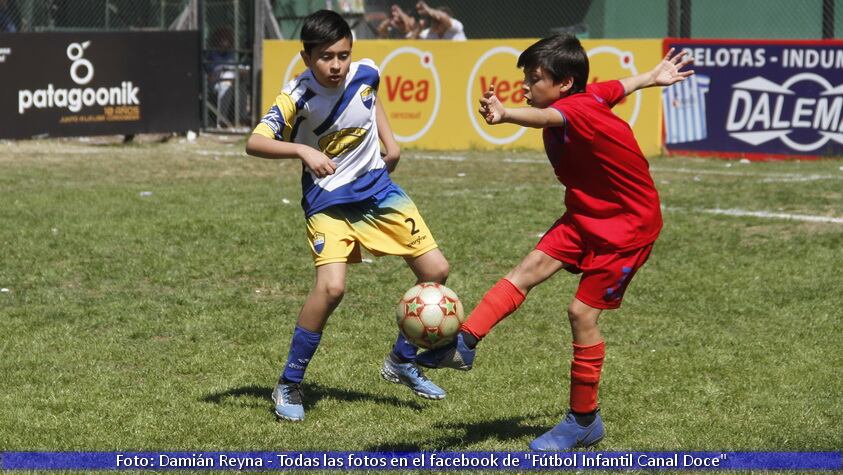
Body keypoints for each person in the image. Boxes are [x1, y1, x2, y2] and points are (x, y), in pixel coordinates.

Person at [417, 35, 694, 450]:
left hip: (627, 230)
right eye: (526, 78)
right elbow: (618, 86)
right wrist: (651, 77)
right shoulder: (589, 94)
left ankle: (584, 420)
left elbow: (549, 119)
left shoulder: (573, 109)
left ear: (564, 84)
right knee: (525, 272)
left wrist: (506, 114)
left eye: (535, 78)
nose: (527, 86)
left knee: (581, 314)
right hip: (585, 215)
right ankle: (464, 344)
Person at [245, 9, 451, 422]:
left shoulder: (367, 72)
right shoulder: (296, 96)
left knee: (436, 270)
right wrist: (303, 150)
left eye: (342, 55)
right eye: (325, 57)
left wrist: (392, 144)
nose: (336, 65)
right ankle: (288, 382)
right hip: (328, 204)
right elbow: (254, 142)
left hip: (378, 192)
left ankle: (400, 361)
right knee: (332, 288)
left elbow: (372, 102)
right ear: (306, 57)